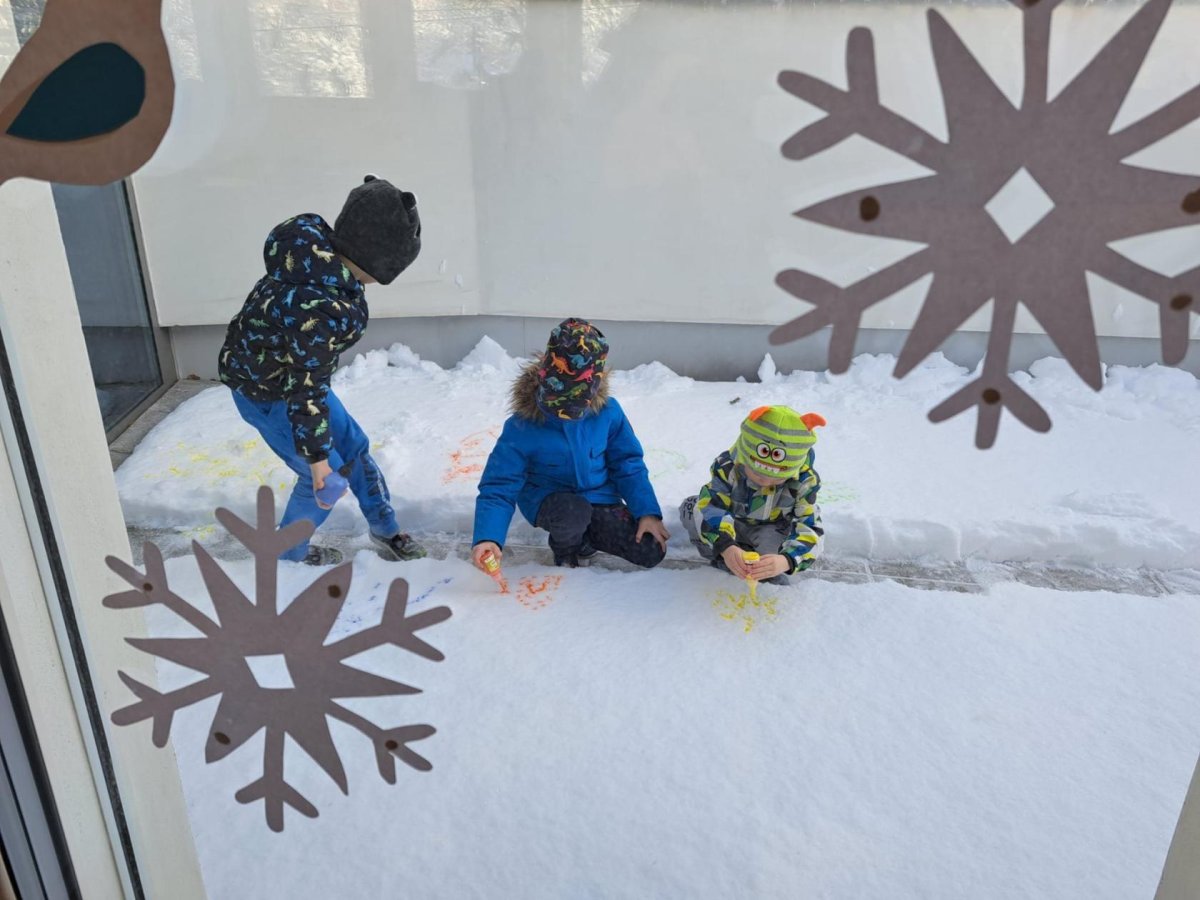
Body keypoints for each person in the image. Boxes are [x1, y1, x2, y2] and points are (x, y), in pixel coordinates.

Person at [218, 175, 426, 565]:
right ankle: (287, 557)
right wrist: (316, 461)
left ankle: (385, 529)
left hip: (297, 381)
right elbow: (304, 387)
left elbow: (308, 377)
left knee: (354, 448)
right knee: (325, 480)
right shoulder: (316, 305)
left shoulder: (319, 263)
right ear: (377, 257)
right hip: (267, 394)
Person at [471, 318, 669, 571]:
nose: (566, 414)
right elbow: (499, 485)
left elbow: (627, 464)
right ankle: (566, 550)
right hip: (550, 501)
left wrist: (647, 513)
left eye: (576, 406)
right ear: (545, 379)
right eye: (559, 404)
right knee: (573, 513)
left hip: (599, 498)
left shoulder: (608, 413)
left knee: (650, 550)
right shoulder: (522, 426)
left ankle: (585, 537)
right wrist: (488, 538)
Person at [679, 405, 824, 585]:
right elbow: (711, 506)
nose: (765, 482)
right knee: (692, 509)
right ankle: (722, 556)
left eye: (777, 478)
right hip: (732, 520)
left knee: (769, 558)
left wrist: (787, 560)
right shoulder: (728, 468)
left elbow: (811, 527)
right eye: (757, 474)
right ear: (744, 458)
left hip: (771, 528)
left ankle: (762, 564)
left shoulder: (804, 482)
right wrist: (725, 546)